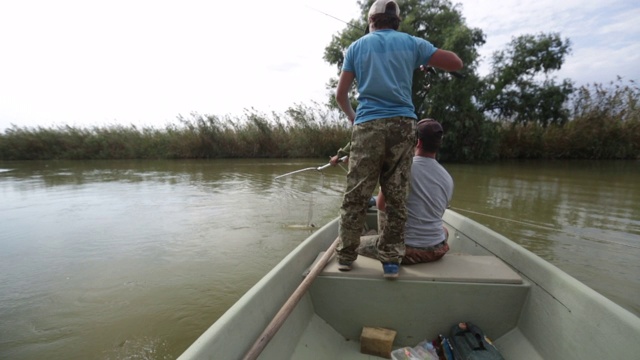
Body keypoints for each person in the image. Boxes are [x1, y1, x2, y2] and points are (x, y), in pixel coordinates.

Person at [335, 0, 462, 278]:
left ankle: (345, 257)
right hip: (403, 125)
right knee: (396, 195)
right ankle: (391, 262)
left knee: (356, 193)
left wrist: (352, 116)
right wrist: (422, 59)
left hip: (367, 123)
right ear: (396, 22)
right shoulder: (413, 43)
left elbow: (340, 95)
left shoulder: (356, 47)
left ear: (371, 22)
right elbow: (455, 62)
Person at [358, 119, 453, 264]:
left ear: (418, 142)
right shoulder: (448, 178)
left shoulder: (400, 168)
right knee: (444, 230)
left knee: (349, 243)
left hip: (404, 251)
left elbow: (381, 206)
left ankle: (378, 237)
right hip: (436, 250)